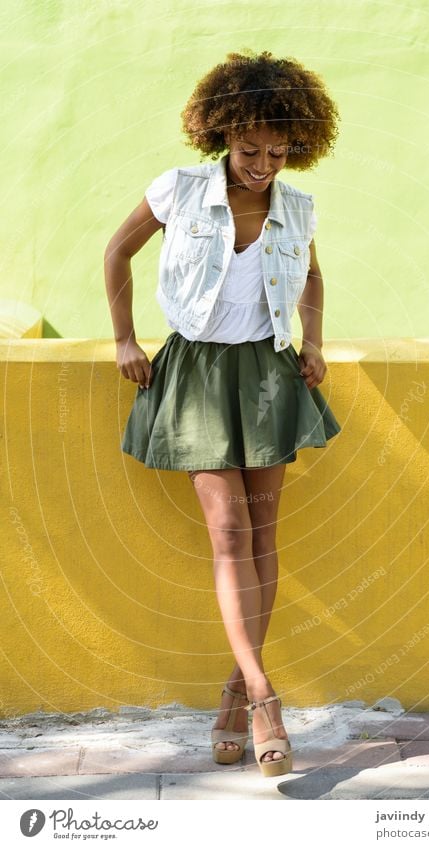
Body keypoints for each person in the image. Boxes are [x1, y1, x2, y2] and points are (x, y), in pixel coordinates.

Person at [104, 50, 342, 777]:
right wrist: (122, 337)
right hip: (198, 372)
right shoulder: (179, 190)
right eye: (249, 150)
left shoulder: (294, 206)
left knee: (264, 532)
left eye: (278, 151)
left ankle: (236, 690)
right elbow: (117, 251)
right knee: (230, 530)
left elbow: (310, 271)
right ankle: (267, 694)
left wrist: (315, 340)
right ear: (220, 135)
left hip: (267, 373)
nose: (263, 164)